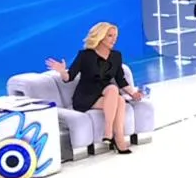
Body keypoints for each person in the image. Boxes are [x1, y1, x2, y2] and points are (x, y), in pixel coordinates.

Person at [46, 21, 143, 155]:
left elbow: (121, 80)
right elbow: (69, 77)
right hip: (86, 95)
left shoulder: (116, 56)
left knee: (118, 96)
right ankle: (112, 134)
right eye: (110, 36)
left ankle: (114, 136)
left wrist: (134, 93)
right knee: (115, 94)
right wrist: (62, 71)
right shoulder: (85, 55)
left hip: (106, 94)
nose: (114, 39)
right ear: (100, 36)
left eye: (115, 36)